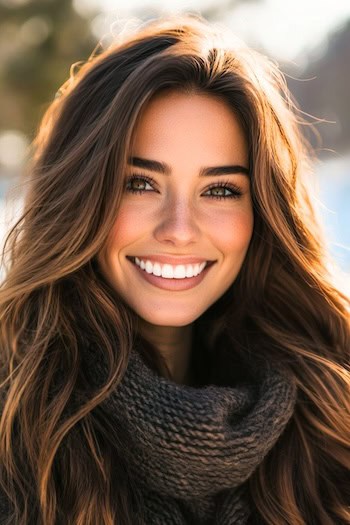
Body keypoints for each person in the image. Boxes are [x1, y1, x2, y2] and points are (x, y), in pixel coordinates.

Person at [0, 12, 349, 525]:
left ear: (264, 215)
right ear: (78, 194)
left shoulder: (330, 423)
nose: (179, 229)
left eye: (221, 189)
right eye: (139, 183)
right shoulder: (16, 439)